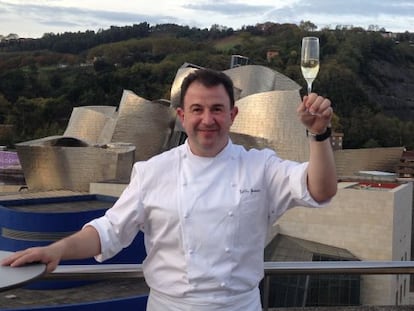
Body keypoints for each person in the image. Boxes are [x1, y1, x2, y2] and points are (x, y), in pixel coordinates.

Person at [1, 68, 337, 310]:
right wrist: (56, 251)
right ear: (181, 116)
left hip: (238, 306)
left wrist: (318, 135)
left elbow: (320, 190)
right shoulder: (152, 171)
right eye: (197, 109)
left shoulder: (261, 166)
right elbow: (108, 231)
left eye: (217, 109)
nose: (208, 119)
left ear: (233, 114)